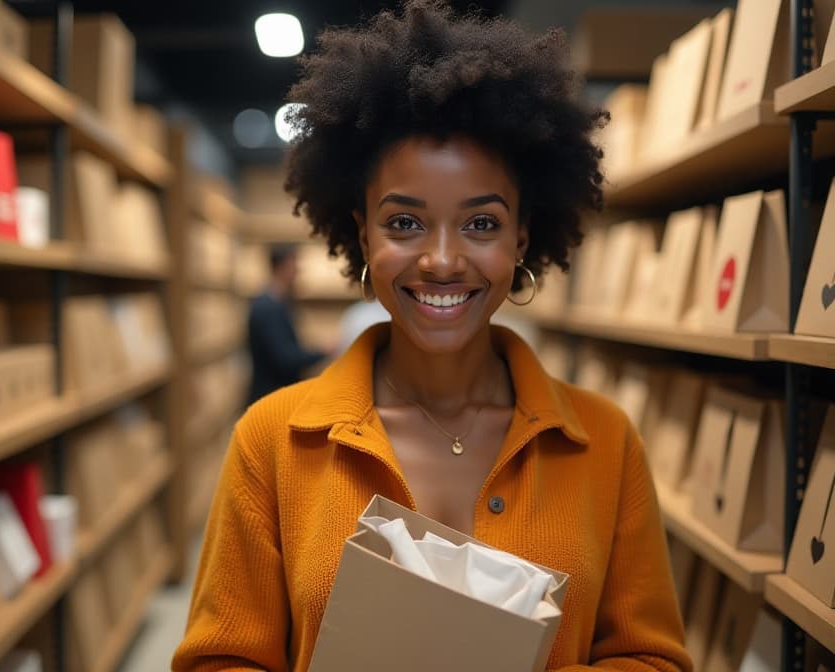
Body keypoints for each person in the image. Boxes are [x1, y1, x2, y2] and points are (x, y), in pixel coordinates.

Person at [174, 2, 691, 670]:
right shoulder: (271, 441)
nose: (443, 260)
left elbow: (652, 657)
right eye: (405, 223)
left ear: (521, 239)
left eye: (480, 224)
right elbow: (220, 659)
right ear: (362, 234)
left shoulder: (605, 442)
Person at [246, 243, 326, 405]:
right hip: (270, 397)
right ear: (284, 267)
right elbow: (284, 358)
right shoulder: (268, 307)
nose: (298, 271)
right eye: (295, 264)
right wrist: (321, 351)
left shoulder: (278, 303)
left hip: (274, 395)